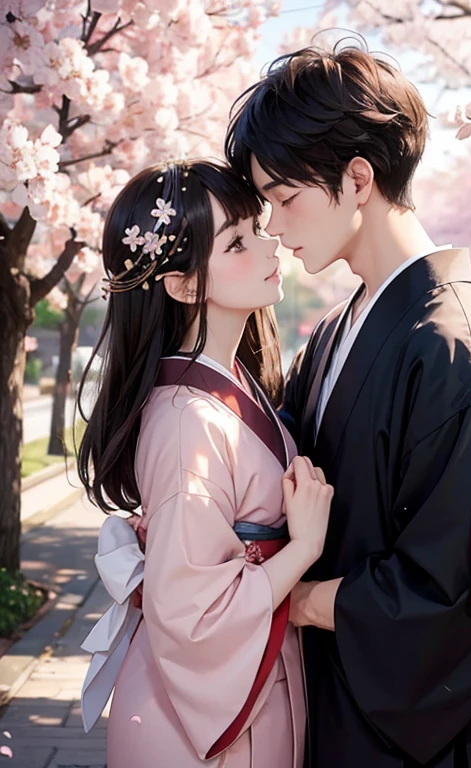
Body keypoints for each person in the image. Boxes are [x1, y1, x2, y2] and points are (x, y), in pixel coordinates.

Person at [225, 44, 471, 768]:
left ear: (357, 178)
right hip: (345, 709)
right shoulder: (343, 327)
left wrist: (294, 599)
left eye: (282, 197)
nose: (272, 223)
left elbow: (452, 596)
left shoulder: (450, 348)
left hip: (415, 739)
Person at [76, 160, 333, 768]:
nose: (270, 244)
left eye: (257, 228)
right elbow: (190, 612)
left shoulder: (229, 385)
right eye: (238, 241)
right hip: (205, 717)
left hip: (247, 681)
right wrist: (303, 548)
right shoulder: (189, 420)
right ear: (185, 284)